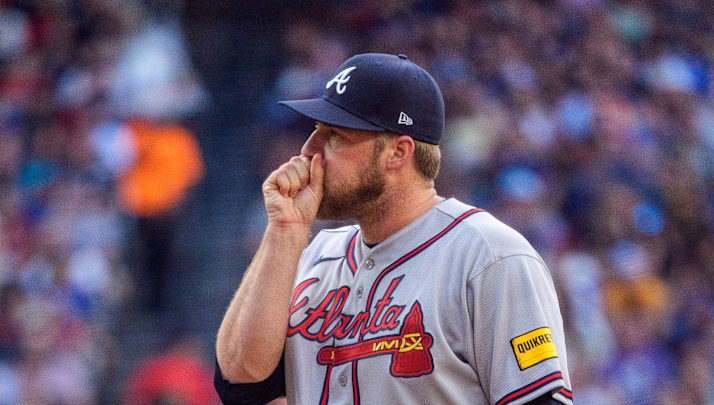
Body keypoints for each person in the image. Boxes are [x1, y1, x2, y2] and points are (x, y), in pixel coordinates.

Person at [215, 53, 572, 405]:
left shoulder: (489, 256)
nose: (309, 150)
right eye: (315, 131)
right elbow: (241, 385)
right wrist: (284, 231)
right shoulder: (313, 254)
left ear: (398, 153)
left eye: (335, 136)